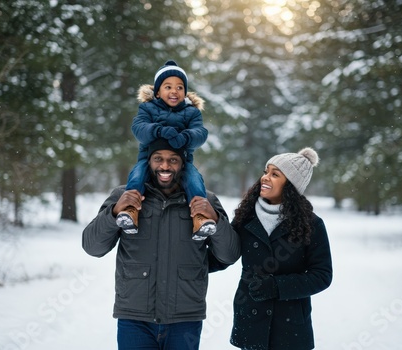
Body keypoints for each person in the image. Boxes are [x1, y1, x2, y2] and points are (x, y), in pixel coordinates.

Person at [82, 138, 240, 350]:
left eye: (173, 160)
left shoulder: (205, 201)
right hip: (135, 319)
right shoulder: (124, 196)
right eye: (158, 159)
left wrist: (217, 220)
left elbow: (229, 255)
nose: (165, 166)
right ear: (148, 161)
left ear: (183, 163)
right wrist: (113, 212)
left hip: (184, 319)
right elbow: (93, 247)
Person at [229, 147, 332, 350]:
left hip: (290, 326)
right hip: (251, 319)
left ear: (291, 185)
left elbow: (322, 275)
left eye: (275, 174)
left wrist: (277, 287)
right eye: (266, 171)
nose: (265, 178)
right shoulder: (245, 217)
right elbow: (225, 254)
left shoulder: (311, 224)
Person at [116, 60, 216, 240]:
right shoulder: (147, 108)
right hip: (148, 159)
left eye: (179, 88)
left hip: (182, 163)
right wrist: (158, 130)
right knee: (137, 175)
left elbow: (200, 133)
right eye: (168, 87)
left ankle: (200, 217)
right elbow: (139, 128)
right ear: (157, 91)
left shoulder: (192, 112)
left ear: (185, 92)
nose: (174, 91)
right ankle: (130, 210)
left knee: (194, 180)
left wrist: (185, 137)